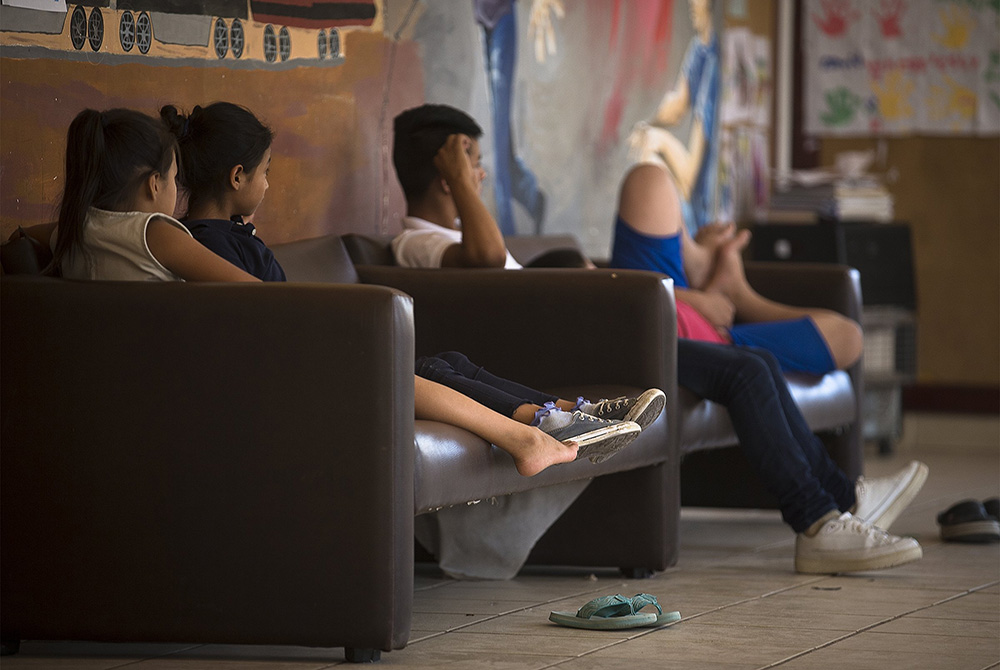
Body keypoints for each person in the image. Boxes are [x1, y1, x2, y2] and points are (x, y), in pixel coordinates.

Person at [391, 102, 929, 573]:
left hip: (593, 331)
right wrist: (460, 179)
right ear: (446, 172)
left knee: (756, 363)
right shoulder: (416, 244)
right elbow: (486, 260)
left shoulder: (461, 235)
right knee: (743, 371)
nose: (479, 174)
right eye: (472, 162)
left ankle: (838, 501)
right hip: (568, 346)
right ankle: (816, 521)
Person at [47, 105, 639, 478]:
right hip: (207, 383)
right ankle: (531, 433)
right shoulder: (157, 231)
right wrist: (334, 322)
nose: (175, 194)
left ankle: (540, 426)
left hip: (133, 393)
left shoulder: (74, 240)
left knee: (412, 367)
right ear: (153, 182)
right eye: (172, 180)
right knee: (391, 369)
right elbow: (253, 297)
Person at [614, 0, 862, 376]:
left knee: (650, 179)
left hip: (684, 315)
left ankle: (716, 276)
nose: (696, 11)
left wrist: (697, 298)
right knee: (649, 178)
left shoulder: (709, 56)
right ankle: (726, 285)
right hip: (694, 338)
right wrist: (703, 300)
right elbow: (602, 295)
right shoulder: (702, 54)